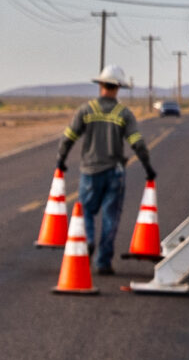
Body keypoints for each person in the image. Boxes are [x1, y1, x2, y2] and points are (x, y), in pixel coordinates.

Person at [56, 65, 156, 276]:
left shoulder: (86, 110)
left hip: (90, 172)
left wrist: (61, 160)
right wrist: (148, 168)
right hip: (114, 173)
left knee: (86, 212)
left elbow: (68, 138)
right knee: (111, 218)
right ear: (118, 87)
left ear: (101, 84)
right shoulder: (124, 113)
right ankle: (103, 262)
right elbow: (137, 143)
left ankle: (88, 240)